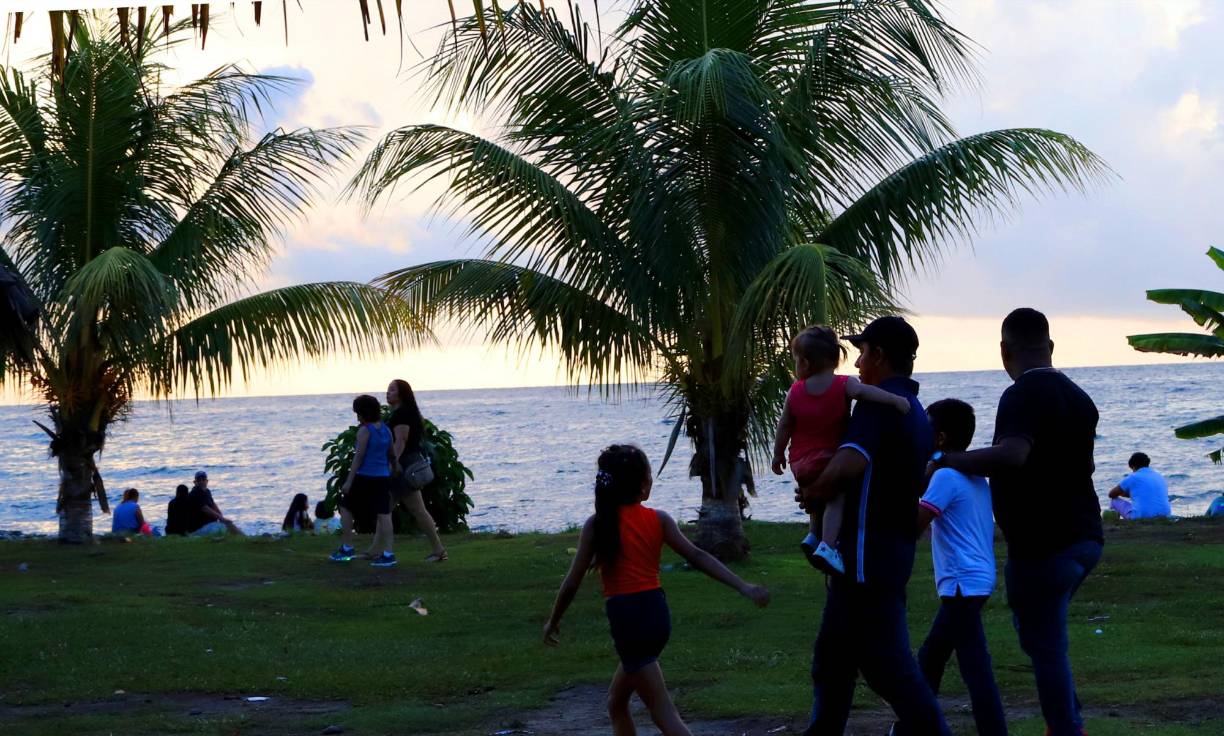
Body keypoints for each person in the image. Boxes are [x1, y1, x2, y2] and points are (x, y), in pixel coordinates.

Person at [934, 308, 1103, 736]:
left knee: (1045, 644)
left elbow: (1013, 454)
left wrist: (946, 460)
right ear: (1050, 346)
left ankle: (1066, 728)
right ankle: (1068, 720)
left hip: (1044, 545)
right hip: (1086, 537)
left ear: (1004, 351)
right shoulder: (1080, 398)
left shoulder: (1022, 394)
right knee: (1039, 636)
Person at [544, 444, 770, 735]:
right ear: (641, 485)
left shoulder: (597, 526)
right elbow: (698, 557)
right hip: (654, 616)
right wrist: (744, 586)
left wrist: (554, 620)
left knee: (664, 714)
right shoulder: (657, 520)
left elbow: (572, 583)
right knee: (616, 701)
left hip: (629, 622)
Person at [795, 316, 950, 736]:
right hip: (886, 554)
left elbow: (851, 461)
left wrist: (815, 491)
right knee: (833, 660)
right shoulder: (915, 410)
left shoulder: (877, 403)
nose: (858, 363)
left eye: (862, 353)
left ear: (880, 355)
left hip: (866, 560)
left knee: (888, 669)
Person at [772, 325, 910, 574]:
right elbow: (868, 394)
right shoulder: (844, 384)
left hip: (800, 461)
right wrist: (896, 400)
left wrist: (778, 454)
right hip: (828, 456)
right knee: (835, 498)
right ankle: (828, 545)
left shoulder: (794, 392)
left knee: (815, 499)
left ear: (803, 362)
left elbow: (784, 426)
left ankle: (812, 536)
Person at [913, 399, 1007, 736]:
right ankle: (912, 727)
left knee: (974, 669)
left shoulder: (947, 477)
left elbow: (913, 526)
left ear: (939, 438)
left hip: (961, 584)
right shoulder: (972, 476)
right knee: (931, 660)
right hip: (973, 580)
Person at [330, 395, 397, 567]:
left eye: (358, 412)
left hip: (365, 476)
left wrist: (349, 482)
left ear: (362, 413)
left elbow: (358, 457)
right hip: (382, 477)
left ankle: (347, 547)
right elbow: (391, 454)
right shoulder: (385, 429)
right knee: (384, 515)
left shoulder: (365, 431)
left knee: (345, 507)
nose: (357, 416)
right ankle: (389, 554)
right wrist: (393, 469)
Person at [386, 379, 448, 562]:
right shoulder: (405, 412)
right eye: (388, 389)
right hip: (407, 463)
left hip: (403, 466)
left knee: (410, 509)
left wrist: (393, 464)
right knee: (389, 508)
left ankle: (438, 550)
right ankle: (378, 549)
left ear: (401, 394)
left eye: (392, 390)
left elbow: (401, 441)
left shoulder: (402, 414)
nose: (387, 393)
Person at [1107, 452, 1172, 520]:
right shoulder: (1159, 476)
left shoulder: (1133, 477)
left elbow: (1111, 494)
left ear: (1133, 466)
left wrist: (1125, 494)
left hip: (1142, 516)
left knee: (1114, 501)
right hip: (1165, 514)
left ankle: (1114, 523)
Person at [186, 471, 244, 536]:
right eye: (199, 480)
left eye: (203, 479)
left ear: (207, 481)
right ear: (195, 482)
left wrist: (222, 517)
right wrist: (222, 519)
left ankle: (244, 539)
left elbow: (213, 505)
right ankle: (245, 539)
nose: (201, 482)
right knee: (224, 528)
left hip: (208, 524)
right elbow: (205, 509)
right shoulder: (195, 493)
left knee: (229, 526)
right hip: (198, 528)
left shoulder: (207, 491)